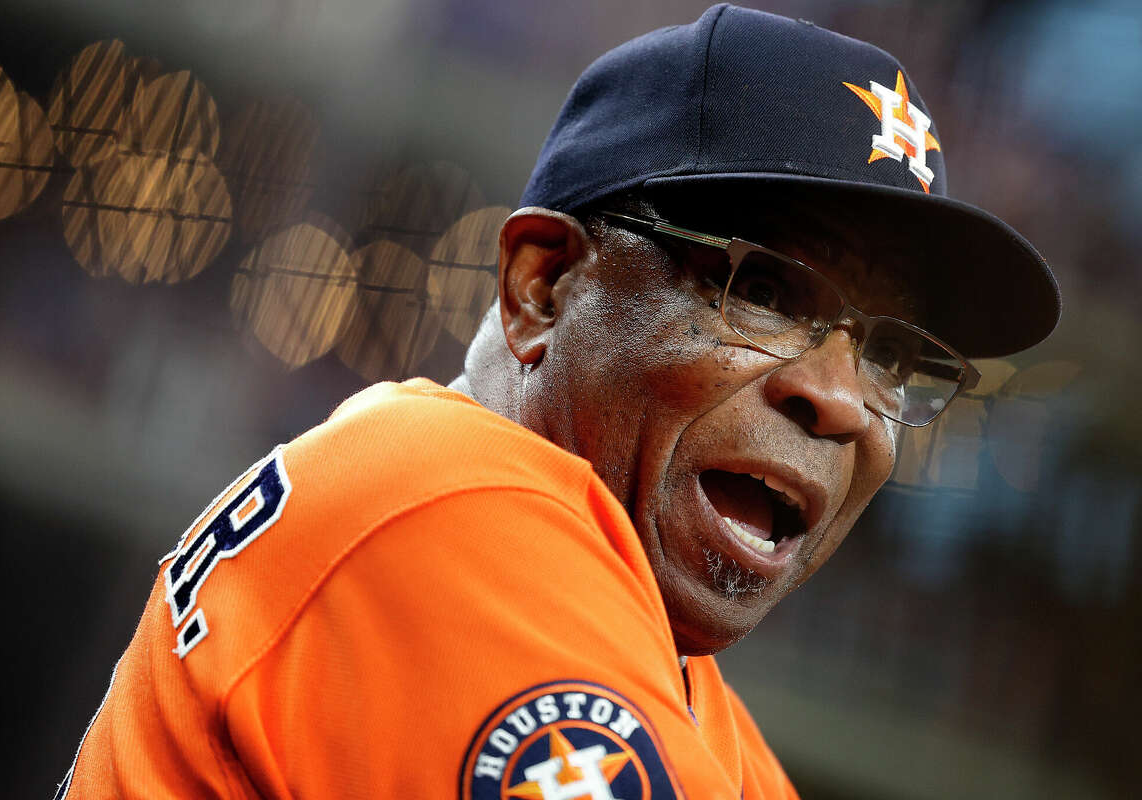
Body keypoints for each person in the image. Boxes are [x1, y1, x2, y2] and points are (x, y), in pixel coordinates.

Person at [57, 5, 1059, 799]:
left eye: (890, 353)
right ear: (545, 283)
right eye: (760, 290)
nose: (839, 398)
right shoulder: (451, 513)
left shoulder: (663, 671)